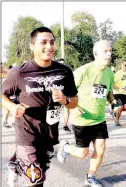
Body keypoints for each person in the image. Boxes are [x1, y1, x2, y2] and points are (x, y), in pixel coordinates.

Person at [2, 26, 78, 187]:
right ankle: (19, 162)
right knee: (36, 182)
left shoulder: (64, 71)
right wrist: (13, 107)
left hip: (49, 135)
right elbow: (2, 94)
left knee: (40, 172)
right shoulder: (19, 72)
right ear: (32, 46)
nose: (49, 46)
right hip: (27, 134)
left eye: (52, 42)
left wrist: (64, 99)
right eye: (43, 42)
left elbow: (74, 102)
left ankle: (16, 164)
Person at [57, 40, 118, 187]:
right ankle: (65, 147)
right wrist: (72, 106)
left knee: (101, 148)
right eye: (105, 51)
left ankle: (90, 177)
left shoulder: (109, 73)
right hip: (81, 119)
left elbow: (108, 92)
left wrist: (113, 102)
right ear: (95, 53)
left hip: (99, 118)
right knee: (82, 152)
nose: (109, 54)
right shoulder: (82, 71)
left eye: (110, 51)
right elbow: (64, 92)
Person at [113, 60, 126, 126]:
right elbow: (112, 84)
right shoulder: (118, 73)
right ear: (122, 65)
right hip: (118, 93)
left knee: (124, 107)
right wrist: (119, 89)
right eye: (125, 65)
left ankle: (115, 110)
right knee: (120, 107)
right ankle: (116, 121)